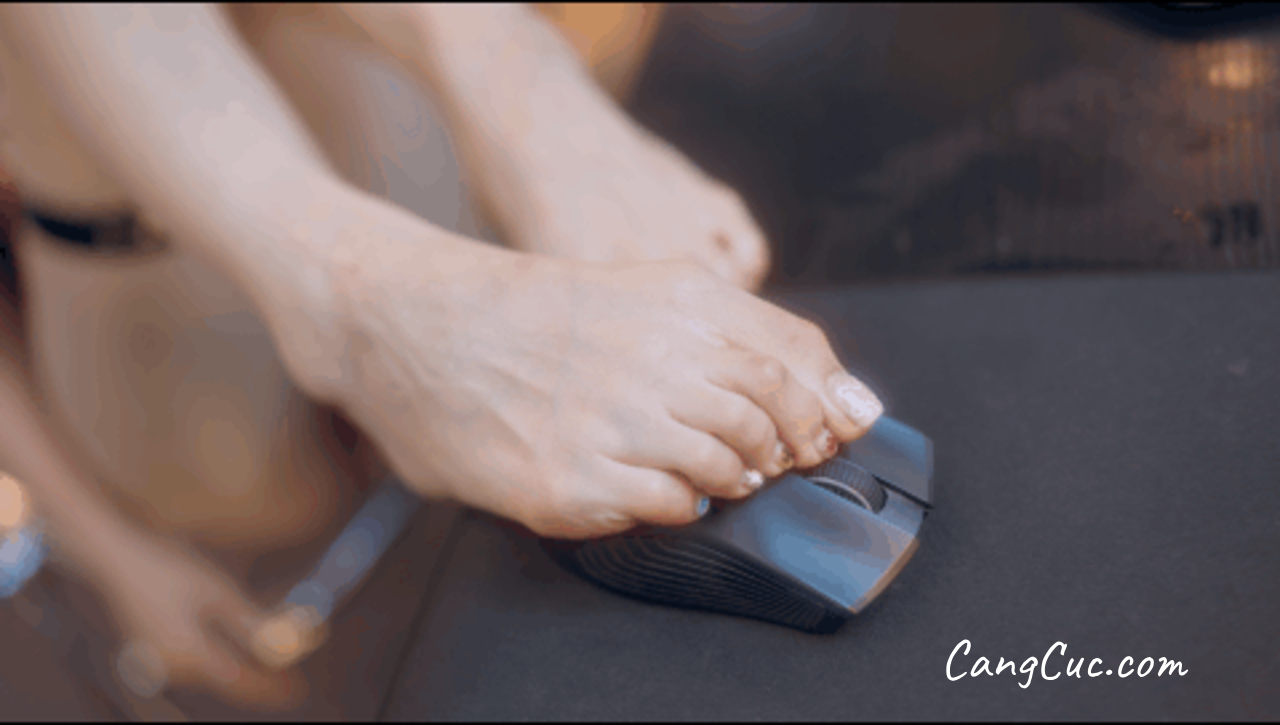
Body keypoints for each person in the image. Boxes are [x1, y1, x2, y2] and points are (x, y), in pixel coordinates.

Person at [0, 4, 885, 707]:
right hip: (160, 311)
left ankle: (427, 196)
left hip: (402, 142)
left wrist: (501, 65)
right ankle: (353, 300)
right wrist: (110, 552)